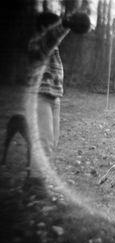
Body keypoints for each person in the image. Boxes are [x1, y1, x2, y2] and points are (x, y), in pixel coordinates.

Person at [25, 4, 90, 180]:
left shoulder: (54, 50)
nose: (60, 33)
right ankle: (36, 184)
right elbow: (52, 36)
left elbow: (54, 38)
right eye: (55, 26)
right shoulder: (38, 44)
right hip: (39, 98)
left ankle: (37, 178)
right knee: (44, 142)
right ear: (44, 28)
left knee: (51, 142)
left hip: (54, 100)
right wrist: (66, 23)